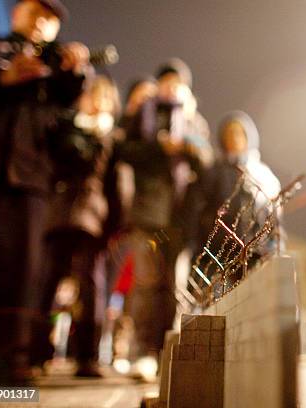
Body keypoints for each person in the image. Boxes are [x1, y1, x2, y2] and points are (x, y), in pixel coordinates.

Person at [0, 0, 89, 384]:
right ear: (16, 12)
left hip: (28, 174)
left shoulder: (55, 69)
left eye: (51, 19)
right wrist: (1, 77)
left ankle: (4, 358)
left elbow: (67, 110)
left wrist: (77, 73)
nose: (43, 22)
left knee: (19, 266)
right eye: (36, 11)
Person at [117, 59, 212, 377]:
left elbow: (206, 164)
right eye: (167, 81)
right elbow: (123, 150)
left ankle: (168, 354)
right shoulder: (145, 113)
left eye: (178, 82)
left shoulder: (195, 121)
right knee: (146, 283)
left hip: (181, 217)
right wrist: (157, 147)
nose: (172, 87)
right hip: (147, 213)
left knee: (175, 285)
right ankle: (142, 352)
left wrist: (187, 148)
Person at [35, 75, 122, 377]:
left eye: (104, 97)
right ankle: (35, 352)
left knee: (91, 285)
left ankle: (88, 356)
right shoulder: (66, 126)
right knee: (47, 281)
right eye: (92, 95)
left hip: (92, 217)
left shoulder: (112, 138)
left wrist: (114, 225)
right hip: (60, 211)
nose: (97, 102)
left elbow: (116, 186)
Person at [184, 111, 281, 297]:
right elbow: (195, 211)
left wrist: (273, 246)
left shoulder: (263, 176)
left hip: (256, 254)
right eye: (229, 134)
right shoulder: (213, 172)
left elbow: (275, 216)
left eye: (239, 133)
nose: (234, 139)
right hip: (218, 256)